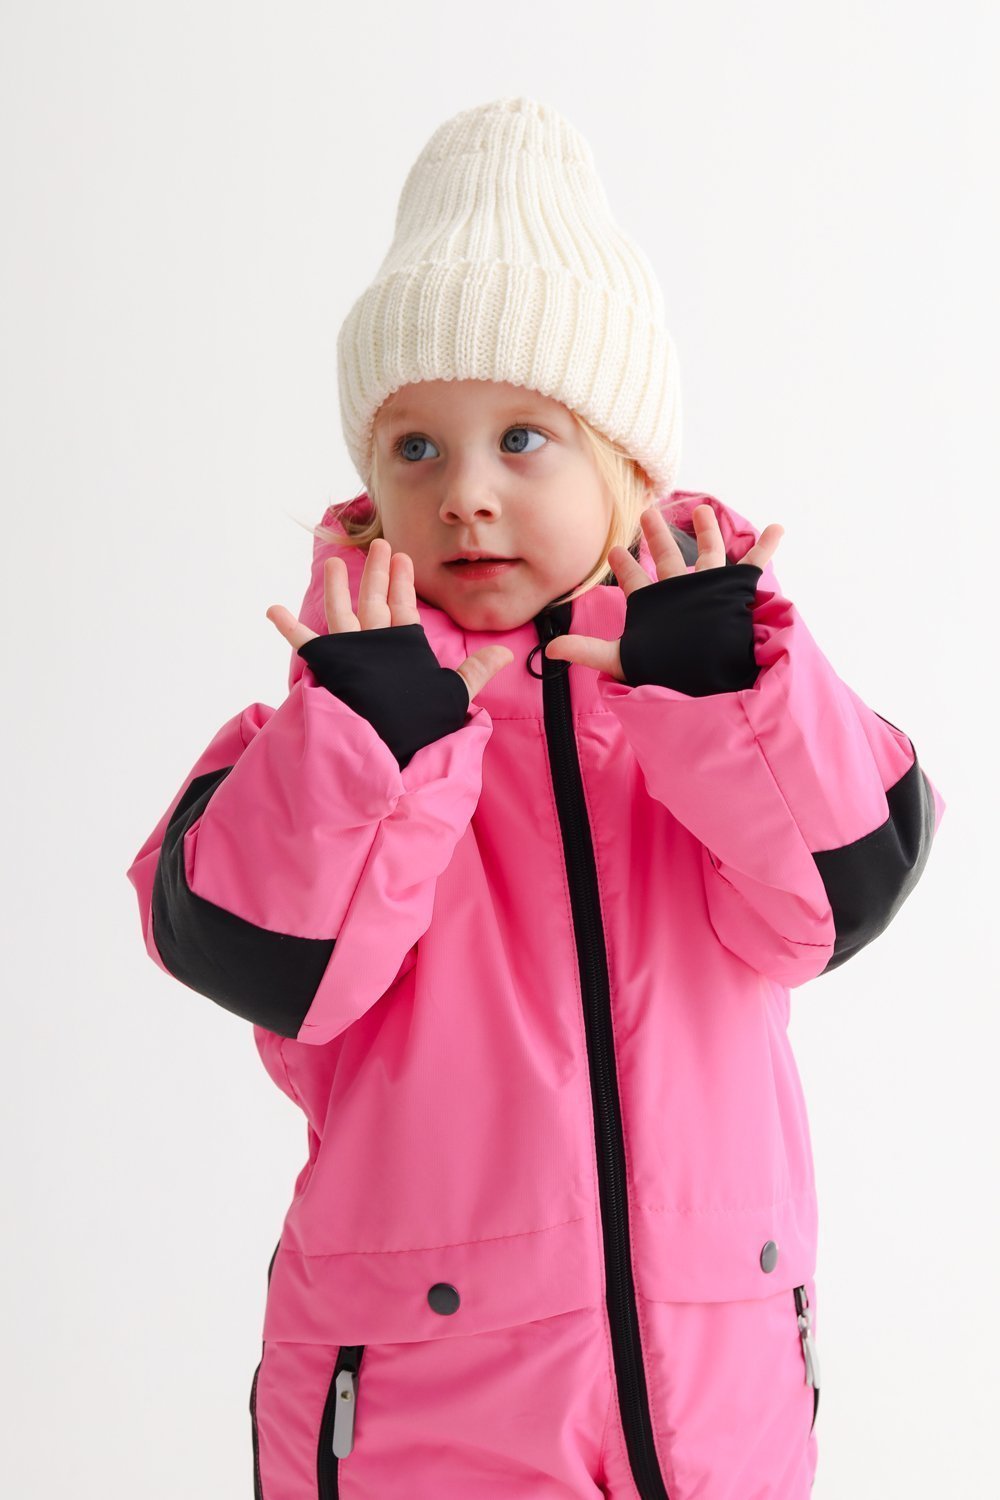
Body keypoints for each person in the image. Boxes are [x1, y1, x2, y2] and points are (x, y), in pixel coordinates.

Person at [125, 97, 945, 1499]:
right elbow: (270, 962)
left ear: (627, 465)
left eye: (524, 438)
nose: (467, 495)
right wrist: (369, 732)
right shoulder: (322, 738)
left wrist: (726, 686)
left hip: (717, 1398)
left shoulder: (719, 713)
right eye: (417, 449)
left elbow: (837, 893)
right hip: (418, 1411)